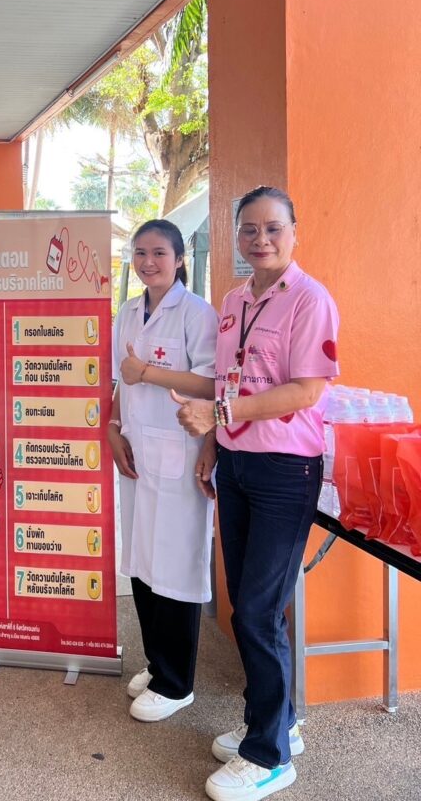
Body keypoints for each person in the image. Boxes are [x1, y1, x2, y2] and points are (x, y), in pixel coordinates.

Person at [174, 186, 339, 801]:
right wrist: (213, 446)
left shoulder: (311, 299)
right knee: (248, 603)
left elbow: (306, 391)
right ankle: (278, 722)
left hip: (285, 471)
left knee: (258, 611)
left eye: (273, 228)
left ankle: (269, 756)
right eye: (249, 229)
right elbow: (228, 378)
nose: (260, 239)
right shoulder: (234, 299)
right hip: (237, 465)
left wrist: (219, 416)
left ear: (295, 232)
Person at [108, 219, 218, 723]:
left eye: (158, 253)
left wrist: (148, 373)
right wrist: (113, 427)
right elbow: (120, 380)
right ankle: (157, 664)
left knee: (174, 564)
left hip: (180, 454)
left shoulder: (196, 313)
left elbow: (212, 384)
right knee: (142, 559)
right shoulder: (128, 312)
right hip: (137, 450)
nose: (148, 262)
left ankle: (177, 684)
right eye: (140, 253)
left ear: (179, 259)